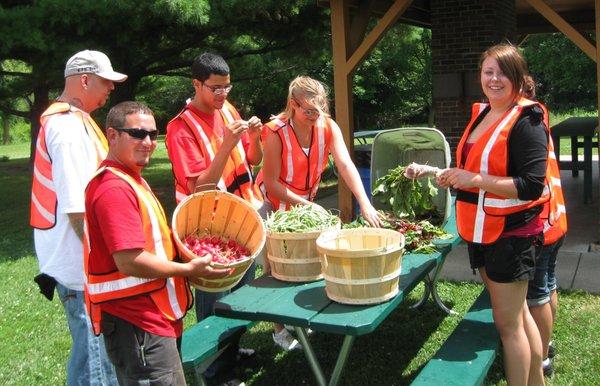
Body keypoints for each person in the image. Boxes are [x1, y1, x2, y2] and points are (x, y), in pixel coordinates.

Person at [84, 101, 231, 384]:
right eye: (137, 134)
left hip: (152, 318)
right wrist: (188, 270)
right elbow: (129, 260)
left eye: (153, 134)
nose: (148, 142)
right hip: (137, 323)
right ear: (112, 135)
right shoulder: (113, 188)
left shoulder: (129, 177)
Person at [435, 44, 554, 385]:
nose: (494, 78)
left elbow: (532, 185)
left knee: (508, 326)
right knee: (517, 318)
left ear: (517, 77)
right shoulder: (484, 112)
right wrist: (455, 175)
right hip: (481, 230)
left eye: (502, 72)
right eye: (488, 72)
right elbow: (480, 167)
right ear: (480, 76)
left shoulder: (527, 119)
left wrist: (473, 179)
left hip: (511, 235)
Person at [256, 75, 382, 350]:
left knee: (306, 262)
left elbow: (346, 164)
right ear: (293, 104)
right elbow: (272, 184)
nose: (315, 116)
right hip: (273, 205)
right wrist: (308, 206)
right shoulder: (275, 132)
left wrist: (365, 202)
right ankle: (279, 330)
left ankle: (296, 318)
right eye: (308, 111)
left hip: (303, 204)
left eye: (320, 110)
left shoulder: (326, 126)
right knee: (275, 266)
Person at [30, 49, 126, 386]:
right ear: (84, 80)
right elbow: (77, 210)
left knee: (94, 358)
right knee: (96, 368)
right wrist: (104, 262)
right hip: (81, 269)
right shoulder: (68, 129)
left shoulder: (74, 120)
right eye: (105, 81)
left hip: (79, 266)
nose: (111, 88)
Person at [165, 52, 261, 374]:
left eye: (227, 87)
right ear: (196, 84)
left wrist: (254, 138)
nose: (223, 95)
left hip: (242, 222)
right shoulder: (180, 128)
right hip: (208, 231)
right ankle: (214, 368)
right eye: (216, 88)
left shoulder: (228, 109)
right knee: (215, 298)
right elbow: (199, 189)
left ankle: (231, 351)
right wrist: (226, 146)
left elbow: (252, 158)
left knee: (241, 294)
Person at [526, 121, 568, 377]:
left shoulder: (525, 125)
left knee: (536, 294)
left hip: (539, 225)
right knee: (548, 284)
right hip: (555, 220)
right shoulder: (539, 121)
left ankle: (540, 358)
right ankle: (547, 343)